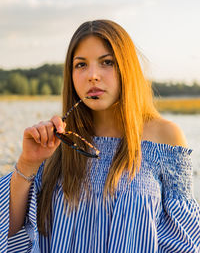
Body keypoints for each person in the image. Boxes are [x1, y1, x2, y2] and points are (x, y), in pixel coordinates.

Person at [0, 19, 199, 253]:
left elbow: (185, 240)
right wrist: (28, 163)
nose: (92, 75)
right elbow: (9, 231)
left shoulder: (165, 137)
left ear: (127, 68)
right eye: (81, 65)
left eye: (107, 62)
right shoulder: (55, 141)